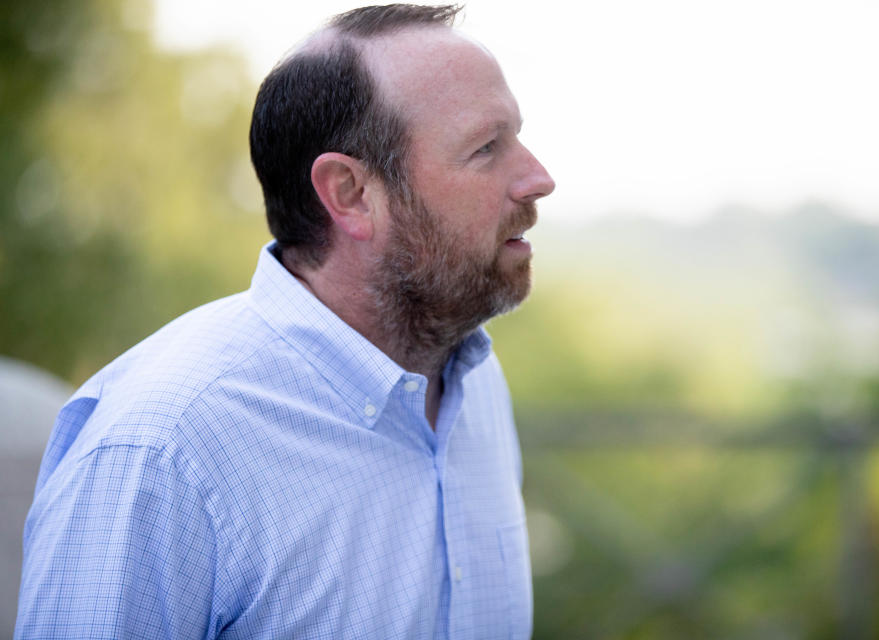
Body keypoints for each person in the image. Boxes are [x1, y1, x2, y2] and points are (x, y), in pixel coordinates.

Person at [15, 3, 555, 639]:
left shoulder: (473, 385)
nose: (538, 179)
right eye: (486, 148)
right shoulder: (162, 454)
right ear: (351, 194)